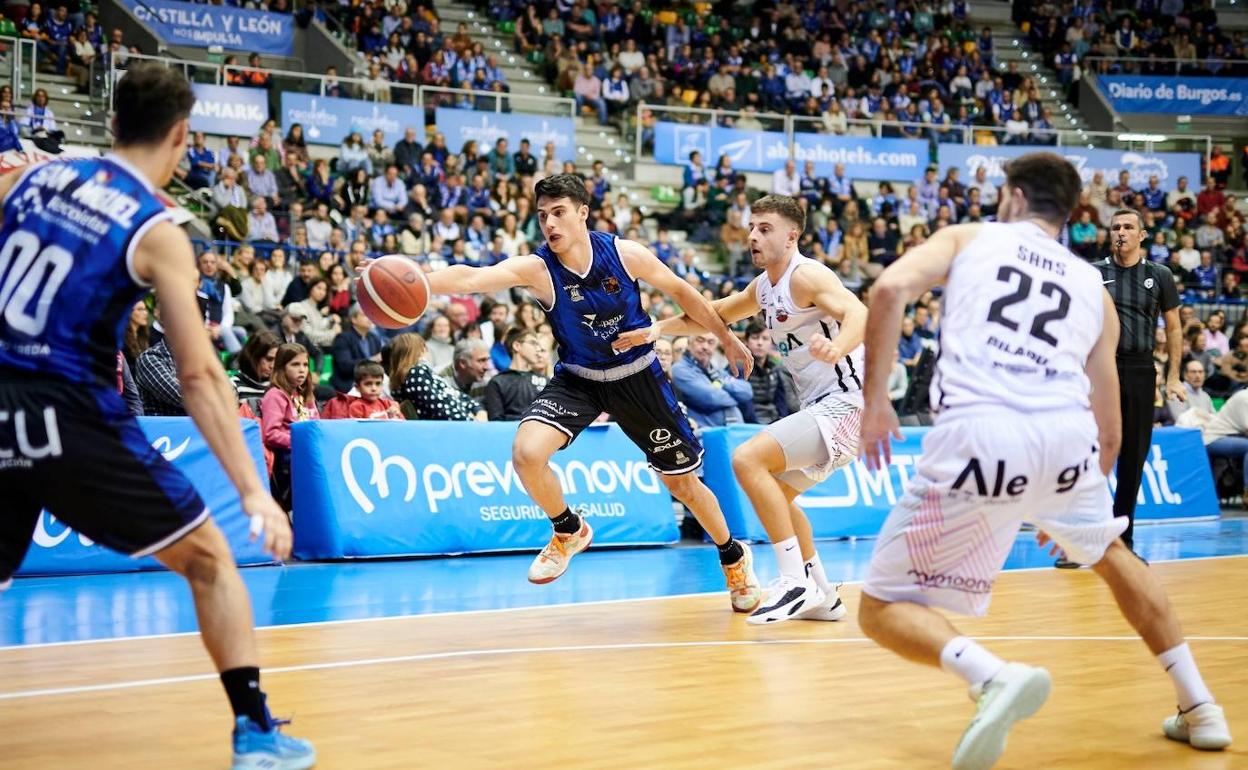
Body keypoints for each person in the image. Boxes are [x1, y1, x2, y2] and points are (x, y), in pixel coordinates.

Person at [855, 152, 1231, 769]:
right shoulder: (1094, 286)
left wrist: (875, 402)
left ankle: (992, 676)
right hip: (1065, 442)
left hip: (980, 433)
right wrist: (1075, 504)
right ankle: (1201, 706)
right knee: (1112, 554)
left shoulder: (971, 236)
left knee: (880, 607)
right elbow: (1109, 427)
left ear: (1013, 196)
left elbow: (890, 287)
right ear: (1069, 213)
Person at [0, 65, 313, 768]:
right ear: (180, 136)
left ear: (112, 124)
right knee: (209, 563)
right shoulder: (157, 226)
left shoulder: (33, 178)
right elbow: (200, 376)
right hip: (68, 408)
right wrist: (254, 491)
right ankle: (257, 733)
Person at [373, 173, 761, 608]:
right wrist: (414, 280)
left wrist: (726, 338)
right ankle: (567, 529)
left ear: (582, 212)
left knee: (683, 485)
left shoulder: (624, 253)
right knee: (526, 454)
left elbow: (683, 292)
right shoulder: (539, 269)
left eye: (559, 213)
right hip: (579, 379)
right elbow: (471, 278)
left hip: (638, 377)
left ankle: (732, 555)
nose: (550, 224)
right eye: (542, 216)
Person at [617, 194, 867, 624]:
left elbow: (859, 311)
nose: (753, 236)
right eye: (752, 227)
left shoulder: (805, 276)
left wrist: (837, 345)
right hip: (825, 405)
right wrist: (655, 329)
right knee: (781, 500)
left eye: (765, 229)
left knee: (747, 459)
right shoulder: (764, 287)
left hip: (850, 403)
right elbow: (712, 316)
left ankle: (793, 580)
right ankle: (824, 595)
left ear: (792, 236)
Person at [1083, 208, 1184, 565]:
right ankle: (1085, 541)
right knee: (1092, 455)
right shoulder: (1094, 274)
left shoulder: (1160, 275)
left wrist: (1173, 376)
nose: (1121, 232)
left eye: (1128, 227)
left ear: (1142, 235)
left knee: (1133, 458)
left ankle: (1122, 542)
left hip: (1142, 370)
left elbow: (1173, 328)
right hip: (1102, 369)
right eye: (1115, 227)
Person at [261, 343, 320, 511]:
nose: (302, 370)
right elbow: (270, 434)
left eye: (305, 365)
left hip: (307, 451)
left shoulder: (305, 395)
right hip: (288, 457)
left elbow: (315, 426)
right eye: (295, 364)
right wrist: (300, 442)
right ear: (281, 368)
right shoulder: (275, 395)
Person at [671, 331, 756, 426]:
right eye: (700, 340)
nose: (705, 347)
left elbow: (747, 391)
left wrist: (721, 383)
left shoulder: (714, 371)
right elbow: (710, 397)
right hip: (705, 433)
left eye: (711, 342)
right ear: (689, 344)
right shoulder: (680, 369)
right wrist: (737, 398)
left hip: (732, 431)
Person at [484, 327, 548, 420]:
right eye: (533, 343)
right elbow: (496, 423)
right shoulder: (497, 382)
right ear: (517, 346)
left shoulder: (545, 381)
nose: (538, 349)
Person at [329, 304, 384, 393]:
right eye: (365, 315)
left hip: (372, 384)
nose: (369, 318)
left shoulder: (374, 338)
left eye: (370, 314)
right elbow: (345, 366)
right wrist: (371, 360)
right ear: (354, 319)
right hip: (349, 384)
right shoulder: (343, 338)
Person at [321, 360, 403, 420]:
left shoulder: (388, 404)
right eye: (368, 384)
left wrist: (395, 416)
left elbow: (401, 427)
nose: (374, 388)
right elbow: (359, 431)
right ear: (357, 387)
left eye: (378, 383)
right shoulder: (357, 407)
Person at [231, 330, 280, 402]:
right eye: (269, 359)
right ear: (253, 356)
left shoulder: (277, 386)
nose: (272, 366)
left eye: (277, 360)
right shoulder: (234, 385)